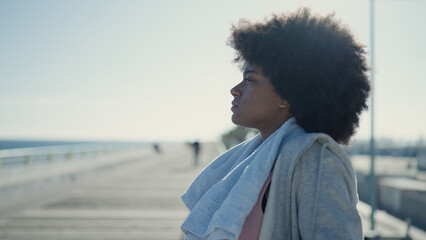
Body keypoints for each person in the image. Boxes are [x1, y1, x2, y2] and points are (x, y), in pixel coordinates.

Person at [181, 8, 370, 240]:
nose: (235, 90)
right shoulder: (259, 156)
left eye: (249, 79)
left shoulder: (316, 162)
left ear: (286, 95)